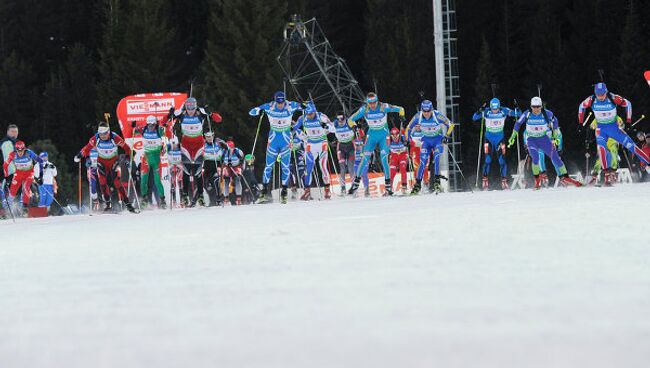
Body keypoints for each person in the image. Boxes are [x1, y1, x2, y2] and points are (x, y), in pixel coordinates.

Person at [578, 82, 650, 185]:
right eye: (598, 94)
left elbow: (628, 104)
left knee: (633, 147)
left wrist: (628, 121)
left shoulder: (613, 98)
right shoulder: (591, 99)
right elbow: (581, 107)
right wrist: (580, 122)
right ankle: (607, 177)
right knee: (602, 150)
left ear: (606, 92)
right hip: (601, 130)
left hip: (614, 129)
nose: (600, 97)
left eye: (602, 94)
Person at [508, 97, 581, 189]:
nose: (536, 109)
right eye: (534, 107)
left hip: (544, 139)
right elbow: (518, 123)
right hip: (532, 140)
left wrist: (556, 137)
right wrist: (513, 136)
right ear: (531, 106)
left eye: (538, 107)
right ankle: (538, 181)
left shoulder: (547, 114)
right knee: (536, 157)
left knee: (556, 158)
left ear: (541, 106)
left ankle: (566, 178)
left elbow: (556, 123)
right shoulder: (527, 114)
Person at [165, 97, 221, 206]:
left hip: (199, 145)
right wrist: (169, 114)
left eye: (193, 106)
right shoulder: (180, 114)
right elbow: (164, 122)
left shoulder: (201, 113)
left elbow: (218, 119)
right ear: (186, 106)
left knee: (198, 172)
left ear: (195, 106)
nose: (190, 109)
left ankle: (200, 196)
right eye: (188, 106)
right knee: (186, 170)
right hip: (186, 145)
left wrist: (211, 113)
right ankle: (185, 195)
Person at [249, 91, 303, 203]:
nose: (280, 105)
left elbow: (305, 108)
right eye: (278, 102)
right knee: (268, 166)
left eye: (282, 102)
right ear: (275, 100)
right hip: (273, 141)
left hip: (286, 141)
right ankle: (263, 192)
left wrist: (304, 105)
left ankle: (284, 192)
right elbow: (251, 112)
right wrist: (258, 110)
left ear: (284, 100)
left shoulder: (290, 105)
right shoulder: (269, 106)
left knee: (285, 167)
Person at [347, 92, 405, 196]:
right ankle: (355, 184)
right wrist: (354, 126)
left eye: (374, 102)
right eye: (370, 103)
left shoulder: (383, 107)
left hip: (384, 135)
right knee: (364, 159)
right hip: (372, 135)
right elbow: (350, 120)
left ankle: (388, 186)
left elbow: (400, 109)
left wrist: (402, 116)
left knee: (384, 159)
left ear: (377, 101)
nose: (373, 105)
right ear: (367, 103)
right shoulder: (364, 109)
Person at [75, 123, 137, 212]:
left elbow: (127, 148)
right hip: (101, 162)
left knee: (117, 183)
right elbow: (87, 148)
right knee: (102, 183)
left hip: (113, 162)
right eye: (100, 134)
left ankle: (128, 204)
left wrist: (127, 158)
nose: (102, 136)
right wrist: (80, 155)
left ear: (108, 132)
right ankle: (108, 205)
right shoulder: (95, 138)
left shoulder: (115, 138)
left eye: (104, 134)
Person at [407, 100, 454, 194]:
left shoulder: (437, 115)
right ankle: (417, 185)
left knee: (436, 156)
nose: (427, 113)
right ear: (422, 110)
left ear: (432, 109)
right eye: (424, 111)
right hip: (426, 141)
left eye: (428, 111)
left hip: (437, 140)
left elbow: (451, 124)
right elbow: (408, 127)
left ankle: (437, 182)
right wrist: (407, 139)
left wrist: (446, 136)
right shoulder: (418, 116)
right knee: (422, 161)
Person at [472, 98, 519, 190]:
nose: (494, 111)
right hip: (488, 139)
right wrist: (479, 111)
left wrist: (517, 108)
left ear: (499, 107)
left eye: (496, 109)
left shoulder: (503, 110)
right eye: (493, 109)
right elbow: (474, 117)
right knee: (488, 160)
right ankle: (485, 180)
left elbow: (518, 114)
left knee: (502, 160)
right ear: (490, 107)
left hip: (499, 139)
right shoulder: (486, 112)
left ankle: (504, 181)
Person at [293, 102, 335, 200]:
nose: (309, 116)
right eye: (307, 113)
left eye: (311, 113)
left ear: (314, 111)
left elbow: (334, 129)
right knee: (308, 169)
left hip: (322, 144)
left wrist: (326, 126)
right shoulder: (302, 118)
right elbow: (293, 129)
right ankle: (307, 191)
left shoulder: (321, 117)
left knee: (323, 167)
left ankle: (327, 191)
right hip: (310, 145)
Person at [135, 115, 171, 208]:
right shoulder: (143, 129)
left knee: (158, 181)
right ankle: (144, 199)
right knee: (143, 180)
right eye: (149, 125)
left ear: (155, 124)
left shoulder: (159, 130)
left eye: (153, 125)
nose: (151, 127)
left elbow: (167, 132)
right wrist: (133, 126)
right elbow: (134, 130)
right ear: (147, 124)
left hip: (156, 158)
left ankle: (162, 200)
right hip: (146, 158)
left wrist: (167, 126)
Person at [3, 140, 43, 214]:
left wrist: (40, 176)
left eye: (22, 150)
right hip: (18, 173)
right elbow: (5, 165)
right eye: (18, 151)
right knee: (12, 192)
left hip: (29, 173)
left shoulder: (29, 153)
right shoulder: (12, 155)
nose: (20, 153)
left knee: (26, 186)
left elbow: (40, 161)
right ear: (16, 150)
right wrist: (6, 177)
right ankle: (7, 210)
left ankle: (25, 206)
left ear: (24, 149)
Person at [333, 111, 355, 194]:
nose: (340, 122)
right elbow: (328, 129)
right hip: (341, 147)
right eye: (339, 121)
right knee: (342, 168)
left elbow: (356, 127)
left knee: (350, 168)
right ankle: (343, 188)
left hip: (350, 146)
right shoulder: (335, 123)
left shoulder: (349, 122)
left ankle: (353, 187)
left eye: (342, 120)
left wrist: (357, 128)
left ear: (344, 118)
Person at [203, 131, 226, 206]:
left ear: (213, 136)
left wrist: (224, 146)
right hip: (207, 167)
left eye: (211, 137)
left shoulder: (218, 143)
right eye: (207, 137)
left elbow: (226, 149)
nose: (209, 138)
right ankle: (211, 200)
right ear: (205, 137)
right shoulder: (203, 144)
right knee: (205, 185)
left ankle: (219, 198)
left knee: (215, 182)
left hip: (216, 167)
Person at [220, 140, 245, 205]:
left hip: (236, 166)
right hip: (227, 166)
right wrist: (224, 165)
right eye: (228, 148)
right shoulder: (223, 151)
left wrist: (242, 169)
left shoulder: (238, 151)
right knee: (226, 181)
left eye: (231, 148)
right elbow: (221, 160)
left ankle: (238, 198)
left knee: (237, 180)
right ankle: (226, 198)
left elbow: (243, 161)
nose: (229, 150)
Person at [388, 128, 409, 194]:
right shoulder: (389, 139)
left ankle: (404, 188)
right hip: (394, 156)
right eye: (393, 135)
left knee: (402, 169)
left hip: (402, 155)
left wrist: (407, 143)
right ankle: (389, 188)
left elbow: (410, 142)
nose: (395, 137)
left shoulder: (402, 138)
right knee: (392, 172)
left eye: (396, 135)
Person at [406, 121, 428, 185]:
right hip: (416, 152)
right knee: (416, 168)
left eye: (419, 126)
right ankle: (417, 183)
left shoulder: (424, 133)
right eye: (416, 126)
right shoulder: (412, 134)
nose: (418, 128)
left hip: (424, 151)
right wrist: (410, 154)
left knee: (425, 167)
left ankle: (426, 182)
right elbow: (411, 145)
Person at [0, 124, 19, 192]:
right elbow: (8, 159)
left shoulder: (18, 143)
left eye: (16, 132)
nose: (14, 133)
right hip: (7, 172)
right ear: (8, 132)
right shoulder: (5, 143)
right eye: (12, 131)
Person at [167, 139, 184, 208]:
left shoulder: (180, 150)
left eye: (176, 144)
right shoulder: (169, 149)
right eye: (173, 144)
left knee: (180, 184)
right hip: (171, 168)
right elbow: (165, 146)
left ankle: (182, 200)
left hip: (179, 168)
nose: (174, 146)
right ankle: (174, 201)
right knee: (173, 184)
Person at [289, 132, 306, 199]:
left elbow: (305, 142)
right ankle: (293, 189)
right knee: (289, 171)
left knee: (301, 172)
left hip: (298, 154)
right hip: (289, 154)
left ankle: (306, 190)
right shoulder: (285, 132)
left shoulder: (299, 132)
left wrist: (304, 153)